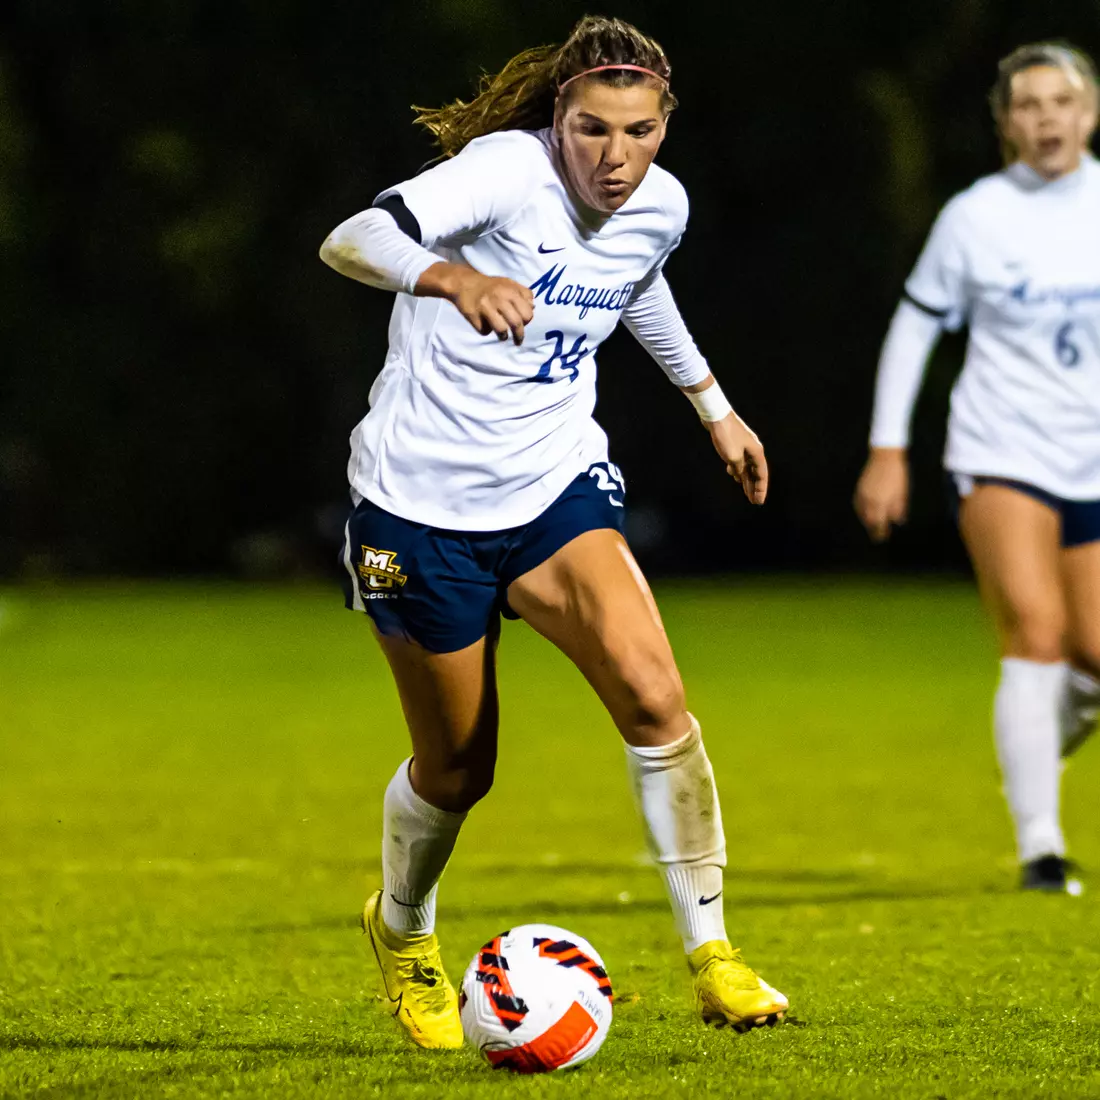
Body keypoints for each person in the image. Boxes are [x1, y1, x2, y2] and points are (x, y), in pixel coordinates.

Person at [319, 15, 788, 1049]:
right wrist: (455, 277)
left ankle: (713, 953)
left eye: (639, 132)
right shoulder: (502, 173)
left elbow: (635, 283)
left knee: (655, 695)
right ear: (557, 120)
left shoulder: (659, 204)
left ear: (664, 125)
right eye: (592, 130)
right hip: (409, 511)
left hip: (551, 487)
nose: (616, 158)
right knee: (457, 768)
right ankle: (401, 927)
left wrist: (713, 407)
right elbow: (350, 237)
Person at [855, 42, 1100, 895]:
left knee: (1092, 656)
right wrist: (888, 448)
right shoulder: (977, 216)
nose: (1046, 119)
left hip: (1092, 455)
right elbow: (916, 324)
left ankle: (1027, 746)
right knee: (1035, 631)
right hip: (1003, 450)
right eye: (1027, 105)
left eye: (1061, 102)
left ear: (1089, 113)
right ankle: (1041, 848)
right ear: (1005, 123)